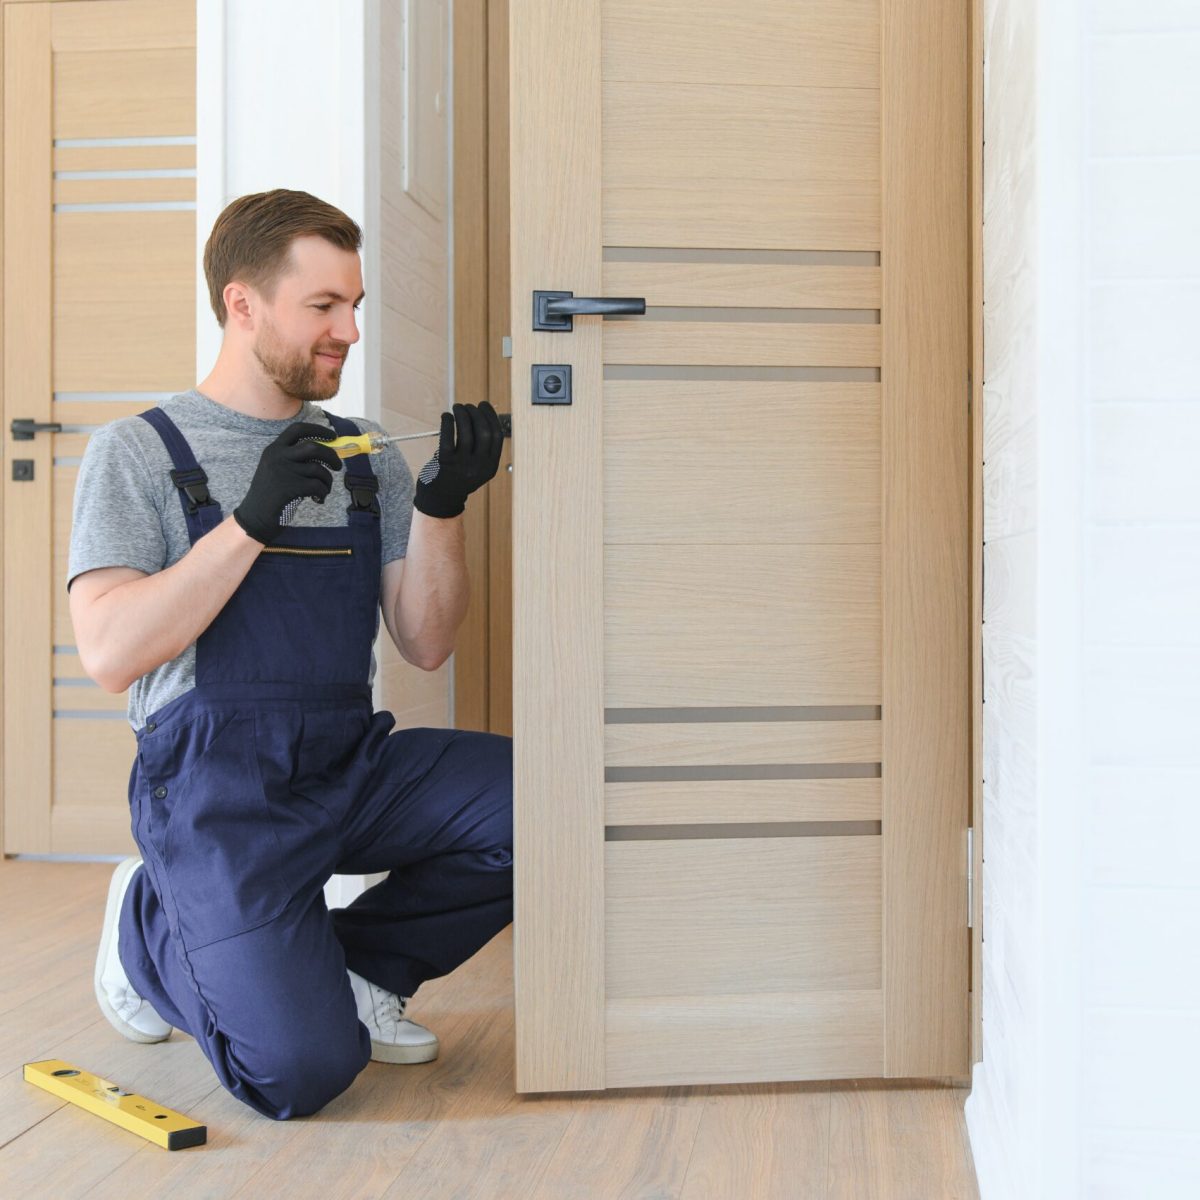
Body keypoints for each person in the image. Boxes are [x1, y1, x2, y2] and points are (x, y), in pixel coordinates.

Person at [66, 188, 513, 1120]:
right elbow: (110, 651)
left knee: (550, 802)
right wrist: (250, 522)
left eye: (353, 304)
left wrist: (441, 508)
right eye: (324, 306)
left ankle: (360, 970)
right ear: (243, 303)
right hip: (218, 794)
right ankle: (148, 925)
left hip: (347, 763)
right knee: (301, 1073)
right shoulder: (140, 453)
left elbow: (426, 643)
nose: (350, 329)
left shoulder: (364, 455)